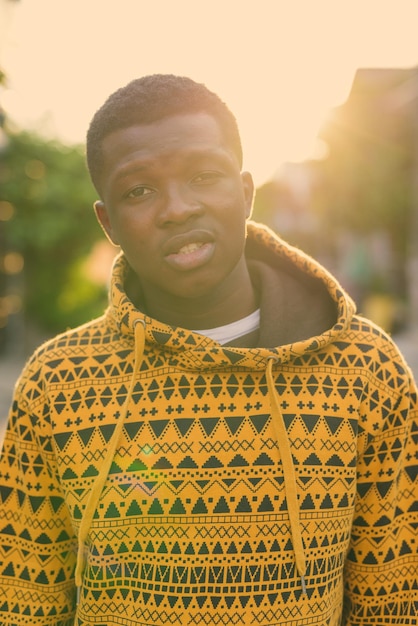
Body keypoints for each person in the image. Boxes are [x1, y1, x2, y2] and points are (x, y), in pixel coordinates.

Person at [0, 74, 416, 626]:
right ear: (109, 223)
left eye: (204, 176)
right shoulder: (56, 383)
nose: (177, 208)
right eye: (138, 191)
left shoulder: (366, 369)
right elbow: (23, 602)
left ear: (246, 192)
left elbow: (394, 603)